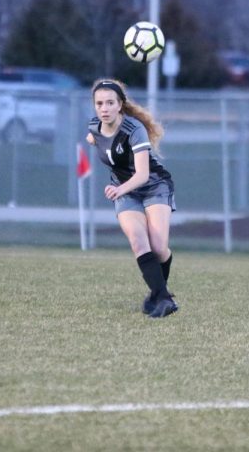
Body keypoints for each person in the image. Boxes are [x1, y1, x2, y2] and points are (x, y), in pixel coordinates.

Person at [85, 78, 178, 319]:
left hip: (154, 186)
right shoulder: (94, 127)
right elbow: (96, 138)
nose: (104, 108)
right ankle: (163, 299)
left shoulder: (134, 129)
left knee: (158, 248)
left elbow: (143, 174)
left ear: (120, 105)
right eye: (99, 103)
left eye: (109, 103)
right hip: (125, 190)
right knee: (138, 242)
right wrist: (92, 140)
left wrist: (119, 189)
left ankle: (158, 295)